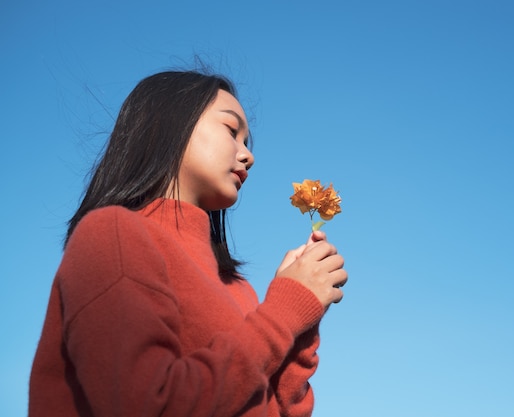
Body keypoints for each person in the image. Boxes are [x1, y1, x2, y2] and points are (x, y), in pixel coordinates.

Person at [29, 69, 347, 417]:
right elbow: (145, 404)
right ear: (164, 126)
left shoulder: (237, 289)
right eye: (231, 131)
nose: (248, 156)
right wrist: (285, 310)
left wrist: (302, 315)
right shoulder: (113, 235)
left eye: (248, 142)